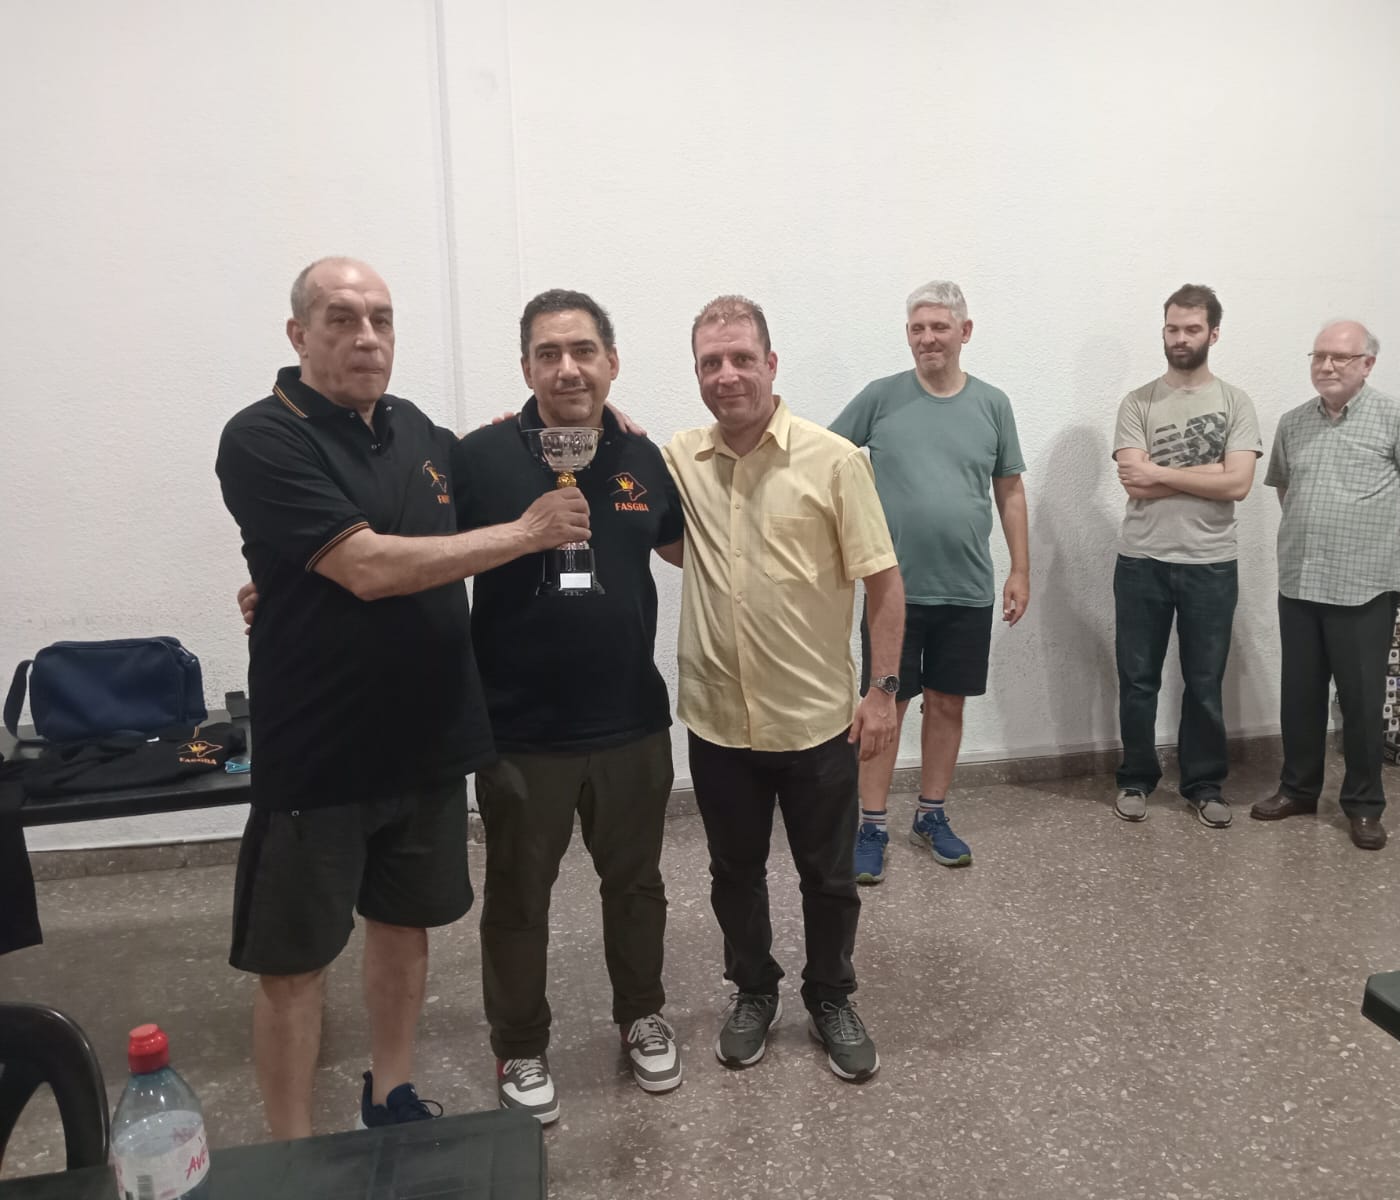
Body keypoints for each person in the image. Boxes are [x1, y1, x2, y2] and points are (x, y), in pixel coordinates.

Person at [214, 257, 587, 1138]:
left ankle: (392, 1093)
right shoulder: (262, 436)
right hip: (320, 751)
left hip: (427, 741)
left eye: (380, 319)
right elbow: (368, 566)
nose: (367, 337)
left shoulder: (417, 430)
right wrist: (526, 534)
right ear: (299, 334)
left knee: (403, 927)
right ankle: (290, 1150)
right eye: (342, 319)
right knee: (295, 964)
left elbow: (502, 460)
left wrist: (595, 421)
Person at [452, 289, 685, 1124]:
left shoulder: (644, 456)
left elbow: (691, 546)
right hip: (520, 731)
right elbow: (412, 547)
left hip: (630, 723)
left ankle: (642, 1015)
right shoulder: (479, 458)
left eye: (584, 350)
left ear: (611, 362)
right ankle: (519, 1045)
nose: (568, 368)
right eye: (548, 353)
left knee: (637, 884)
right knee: (519, 899)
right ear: (525, 368)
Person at [660, 295, 905, 1082]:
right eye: (710, 362)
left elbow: (885, 583)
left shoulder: (835, 461)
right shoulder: (679, 459)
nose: (726, 375)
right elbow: (610, 466)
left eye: (741, 358)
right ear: (697, 372)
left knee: (828, 877)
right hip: (719, 721)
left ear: (771, 363)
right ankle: (754, 991)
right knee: (732, 874)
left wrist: (883, 691)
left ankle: (831, 995)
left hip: (815, 723)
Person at [829, 281, 1029, 885]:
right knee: (883, 706)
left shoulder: (993, 404)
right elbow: (825, 459)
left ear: (964, 332)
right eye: (917, 328)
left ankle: (931, 814)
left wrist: (1021, 568)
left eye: (939, 327)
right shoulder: (881, 397)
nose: (927, 338)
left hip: (967, 589)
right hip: (893, 593)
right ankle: (870, 825)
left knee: (947, 704)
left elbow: (1009, 489)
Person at [1251, 320, 1400, 850]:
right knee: (1300, 696)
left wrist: (1383, 541)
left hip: (1364, 586)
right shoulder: (1293, 422)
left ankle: (1363, 805)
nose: (1327, 365)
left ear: (1367, 364)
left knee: (1360, 701)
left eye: (1340, 357)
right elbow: (1287, 490)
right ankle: (1298, 790)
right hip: (1301, 580)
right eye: (1319, 356)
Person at [1110, 284, 1262, 827]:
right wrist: (1209, 473)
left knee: (1204, 682)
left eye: (1192, 329)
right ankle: (1135, 778)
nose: (1180, 338)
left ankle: (1204, 783)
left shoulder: (1235, 402)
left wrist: (1160, 471)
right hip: (1142, 561)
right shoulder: (1138, 402)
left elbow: (1239, 483)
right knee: (1138, 679)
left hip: (1211, 562)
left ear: (1212, 334)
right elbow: (1134, 482)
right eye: (1173, 328)